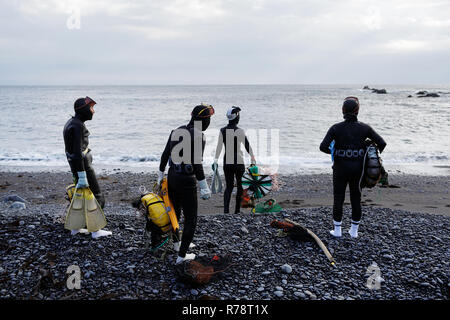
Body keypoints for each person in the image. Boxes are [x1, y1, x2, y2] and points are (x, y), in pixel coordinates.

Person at [319, 97, 386, 238]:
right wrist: (369, 152)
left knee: (338, 198)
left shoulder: (335, 128)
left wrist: (335, 151)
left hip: (340, 168)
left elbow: (323, 147)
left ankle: (337, 231)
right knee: (356, 198)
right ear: (357, 111)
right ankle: (354, 232)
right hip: (358, 169)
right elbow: (382, 143)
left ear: (343, 110)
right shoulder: (365, 128)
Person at [157, 103, 214, 264]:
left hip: (173, 175)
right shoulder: (199, 135)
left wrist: (160, 175)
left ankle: (176, 244)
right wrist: (204, 187)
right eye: (209, 119)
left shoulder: (176, 131)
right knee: (191, 219)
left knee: (174, 212)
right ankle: (182, 256)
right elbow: (197, 163)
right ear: (204, 120)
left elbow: (164, 155)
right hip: (187, 180)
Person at [63, 96, 112, 239]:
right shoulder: (78, 125)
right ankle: (95, 230)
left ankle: (76, 227)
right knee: (96, 196)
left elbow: (71, 151)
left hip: (77, 166)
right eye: (91, 108)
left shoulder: (71, 122)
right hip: (83, 166)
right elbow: (77, 152)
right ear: (84, 110)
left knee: (80, 197)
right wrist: (82, 174)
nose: (93, 111)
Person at [214, 106, 256, 214]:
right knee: (240, 187)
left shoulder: (222, 130)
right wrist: (252, 157)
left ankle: (226, 211)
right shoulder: (240, 131)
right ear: (236, 117)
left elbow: (219, 147)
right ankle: (237, 211)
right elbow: (247, 145)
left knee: (229, 187)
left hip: (227, 161)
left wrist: (215, 160)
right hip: (238, 161)